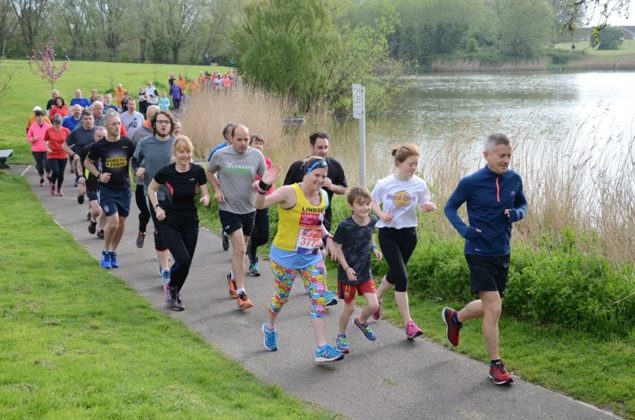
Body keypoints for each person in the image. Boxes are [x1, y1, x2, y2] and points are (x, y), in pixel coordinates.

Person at [443, 133, 527, 386]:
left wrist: (516, 213)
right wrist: (465, 230)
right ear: (486, 155)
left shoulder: (514, 179)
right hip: (478, 251)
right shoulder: (471, 182)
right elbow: (450, 207)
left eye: (509, 155)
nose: (506, 160)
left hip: (502, 250)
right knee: (494, 307)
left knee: (491, 304)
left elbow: (523, 204)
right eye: (501, 155)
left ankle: (455, 318)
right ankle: (496, 365)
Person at [255, 156, 344, 363]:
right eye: (317, 175)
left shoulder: (323, 196)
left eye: (324, 176)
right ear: (306, 173)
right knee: (281, 298)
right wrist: (263, 185)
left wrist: (327, 238)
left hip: (311, 257)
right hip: (284, 257)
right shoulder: (289, 192)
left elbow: (317, 223)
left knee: (319, 299)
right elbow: (259, 205)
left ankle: (321, 348)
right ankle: (269, 327)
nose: (321, 180)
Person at [370, 144, 437, 340]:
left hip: (409, 235)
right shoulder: (384, 183)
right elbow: (372, 201)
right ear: (398, 163)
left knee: (394, 273)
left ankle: (376, 301)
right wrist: (381, 213)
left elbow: (423, 206)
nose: (414, 168)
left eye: (416, 164)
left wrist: (428, 207)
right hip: (388, 233)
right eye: (410, 164)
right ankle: (409, 323)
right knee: (402, 277)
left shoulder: (420, 184)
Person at [206, 124, 266, 310]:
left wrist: (259, 183)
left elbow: (265, 179)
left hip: (249, 209)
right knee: (240, 249)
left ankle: (232, 277)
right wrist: (217, 189)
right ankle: (242, 293)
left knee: (243, 248)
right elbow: (209, 171)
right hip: (228, 209)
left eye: (246, 139)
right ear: (231, 138)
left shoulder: (256, 156)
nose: (243, 143)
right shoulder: (221, 155)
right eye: (239, 139)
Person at [148, 136, 210, 311]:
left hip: (190, 222)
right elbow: (151, 189)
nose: (185, 155)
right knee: (182, 260)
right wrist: (157, 208)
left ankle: (174, 292)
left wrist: (205, 198)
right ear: (175, 153)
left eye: (188, 151)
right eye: (181, 152)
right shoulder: (166, 172)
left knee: (187, 262)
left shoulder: (197, 171)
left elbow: (205, 192)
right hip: (169, 222)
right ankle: (171, 289)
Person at [332, 187, 382, 354]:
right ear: (351, 206)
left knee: (374, 305)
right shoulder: (345, 225)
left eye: (367, 204)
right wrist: (346, 268)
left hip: (365, 272)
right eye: (360, 204)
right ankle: (340, 335)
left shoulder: (373, 220)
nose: (365, 207)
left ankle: (361, 321)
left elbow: (370, 235)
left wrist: (374, 248)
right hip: (348, 275)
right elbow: (337, 248)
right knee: (349, 308)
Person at [85, 112, 136, 270]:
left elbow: (134, 160)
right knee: (112, 223)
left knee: (121, 224)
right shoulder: (99, 146)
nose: (117, 127)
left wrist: (138, 170)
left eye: (119, 124)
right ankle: (105, 251)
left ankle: (113, 252)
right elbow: (87, 162)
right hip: (108, 190)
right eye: (114, 124)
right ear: (107, 127)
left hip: (125, 189)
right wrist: (99, 175)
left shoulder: (127, 143)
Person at [132, 110, 176, 283]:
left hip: (175, 195)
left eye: (166, 122)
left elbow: (188, 162)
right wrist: (137, 169)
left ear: (171, 125)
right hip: (154, 194)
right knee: (161, 230)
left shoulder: (177, 142)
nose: (163, 124)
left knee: (173, 232)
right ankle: (165, 269)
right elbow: (134, 160)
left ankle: (164, 259)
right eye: (160, 122)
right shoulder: (145, 143)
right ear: (154, 124)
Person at [283, 131, 347, 232]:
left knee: (321, 245)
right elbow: (285, 191)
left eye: (326, 147)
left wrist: (332, 186)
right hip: (298, 216)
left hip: (324, 216)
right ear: (312, 147)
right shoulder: (298, 166)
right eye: (320, 147)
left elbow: (344, 189)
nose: (324, 151)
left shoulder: (335, 165)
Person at [130, 105, 160, 249]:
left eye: (158, 115)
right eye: (153, 115)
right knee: (146, 212)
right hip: (142, 181)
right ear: (147, 116)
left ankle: (161, 248)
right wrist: (137, 170)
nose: (156, 118)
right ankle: (142, 231)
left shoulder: (164, 133)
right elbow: (133, 158)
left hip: (159, 182)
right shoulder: (139, 134)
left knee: (159, 215)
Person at [206, 122, 236, 252]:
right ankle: (226, 231)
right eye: (232, 132)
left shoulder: (243, 148)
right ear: (226, 136)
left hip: (240, 186)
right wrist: (217, 187)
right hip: (223, 184)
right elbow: (209, 169)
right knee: (226, 210)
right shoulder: (217, 150)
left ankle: (231, 231)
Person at [246, 134, 273, 277]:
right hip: (248, 202)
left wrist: (271, 196)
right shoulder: (245, 160)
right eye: (255, 143)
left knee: (263, 236)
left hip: (263, 201)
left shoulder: (267, 161)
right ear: (250, 145)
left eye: (261, 143)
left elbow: (271, 182)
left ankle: (248, 245)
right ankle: (253, 262)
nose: (258, 146)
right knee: (252, 232)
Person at [63, 109, 96, 204]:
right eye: (86, 119)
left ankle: (92, 211)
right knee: (83, 189)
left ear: (93, 119)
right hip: (81, 165)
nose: (88, 121)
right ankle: (81, 194)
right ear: (82, 120)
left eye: (90, 118)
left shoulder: (98, 131)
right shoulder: (76, 132)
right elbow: (64, 146)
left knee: (93, 189)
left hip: (95, 163)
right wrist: (74, 154)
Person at [44, 114, 71, 196]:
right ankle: (52, 184)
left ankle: (59, 189)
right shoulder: (49, 130)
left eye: (60, 123)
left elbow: (70, 141)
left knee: (61, 173)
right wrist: (47, 148)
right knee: (56, 171)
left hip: (63, 154)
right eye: (56, 123)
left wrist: (68, 148)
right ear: (53, 123)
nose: (58, 125)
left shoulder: (66, 130)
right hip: (52, 154)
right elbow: (45, 141)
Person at [27, 110, 52, 187]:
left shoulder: (48, 126)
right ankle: (42, 178)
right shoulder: (32, 126)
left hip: (46, 149)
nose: (40, 118)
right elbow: (28, 137)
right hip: (36, 149)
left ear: (44, 117)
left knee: (47, 165)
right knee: (40, 166)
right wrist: (33, 139)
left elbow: (52, 136)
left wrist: (49, 142)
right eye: (38, 116)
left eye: (41, 116)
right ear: (36, 117)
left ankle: (48, 176)